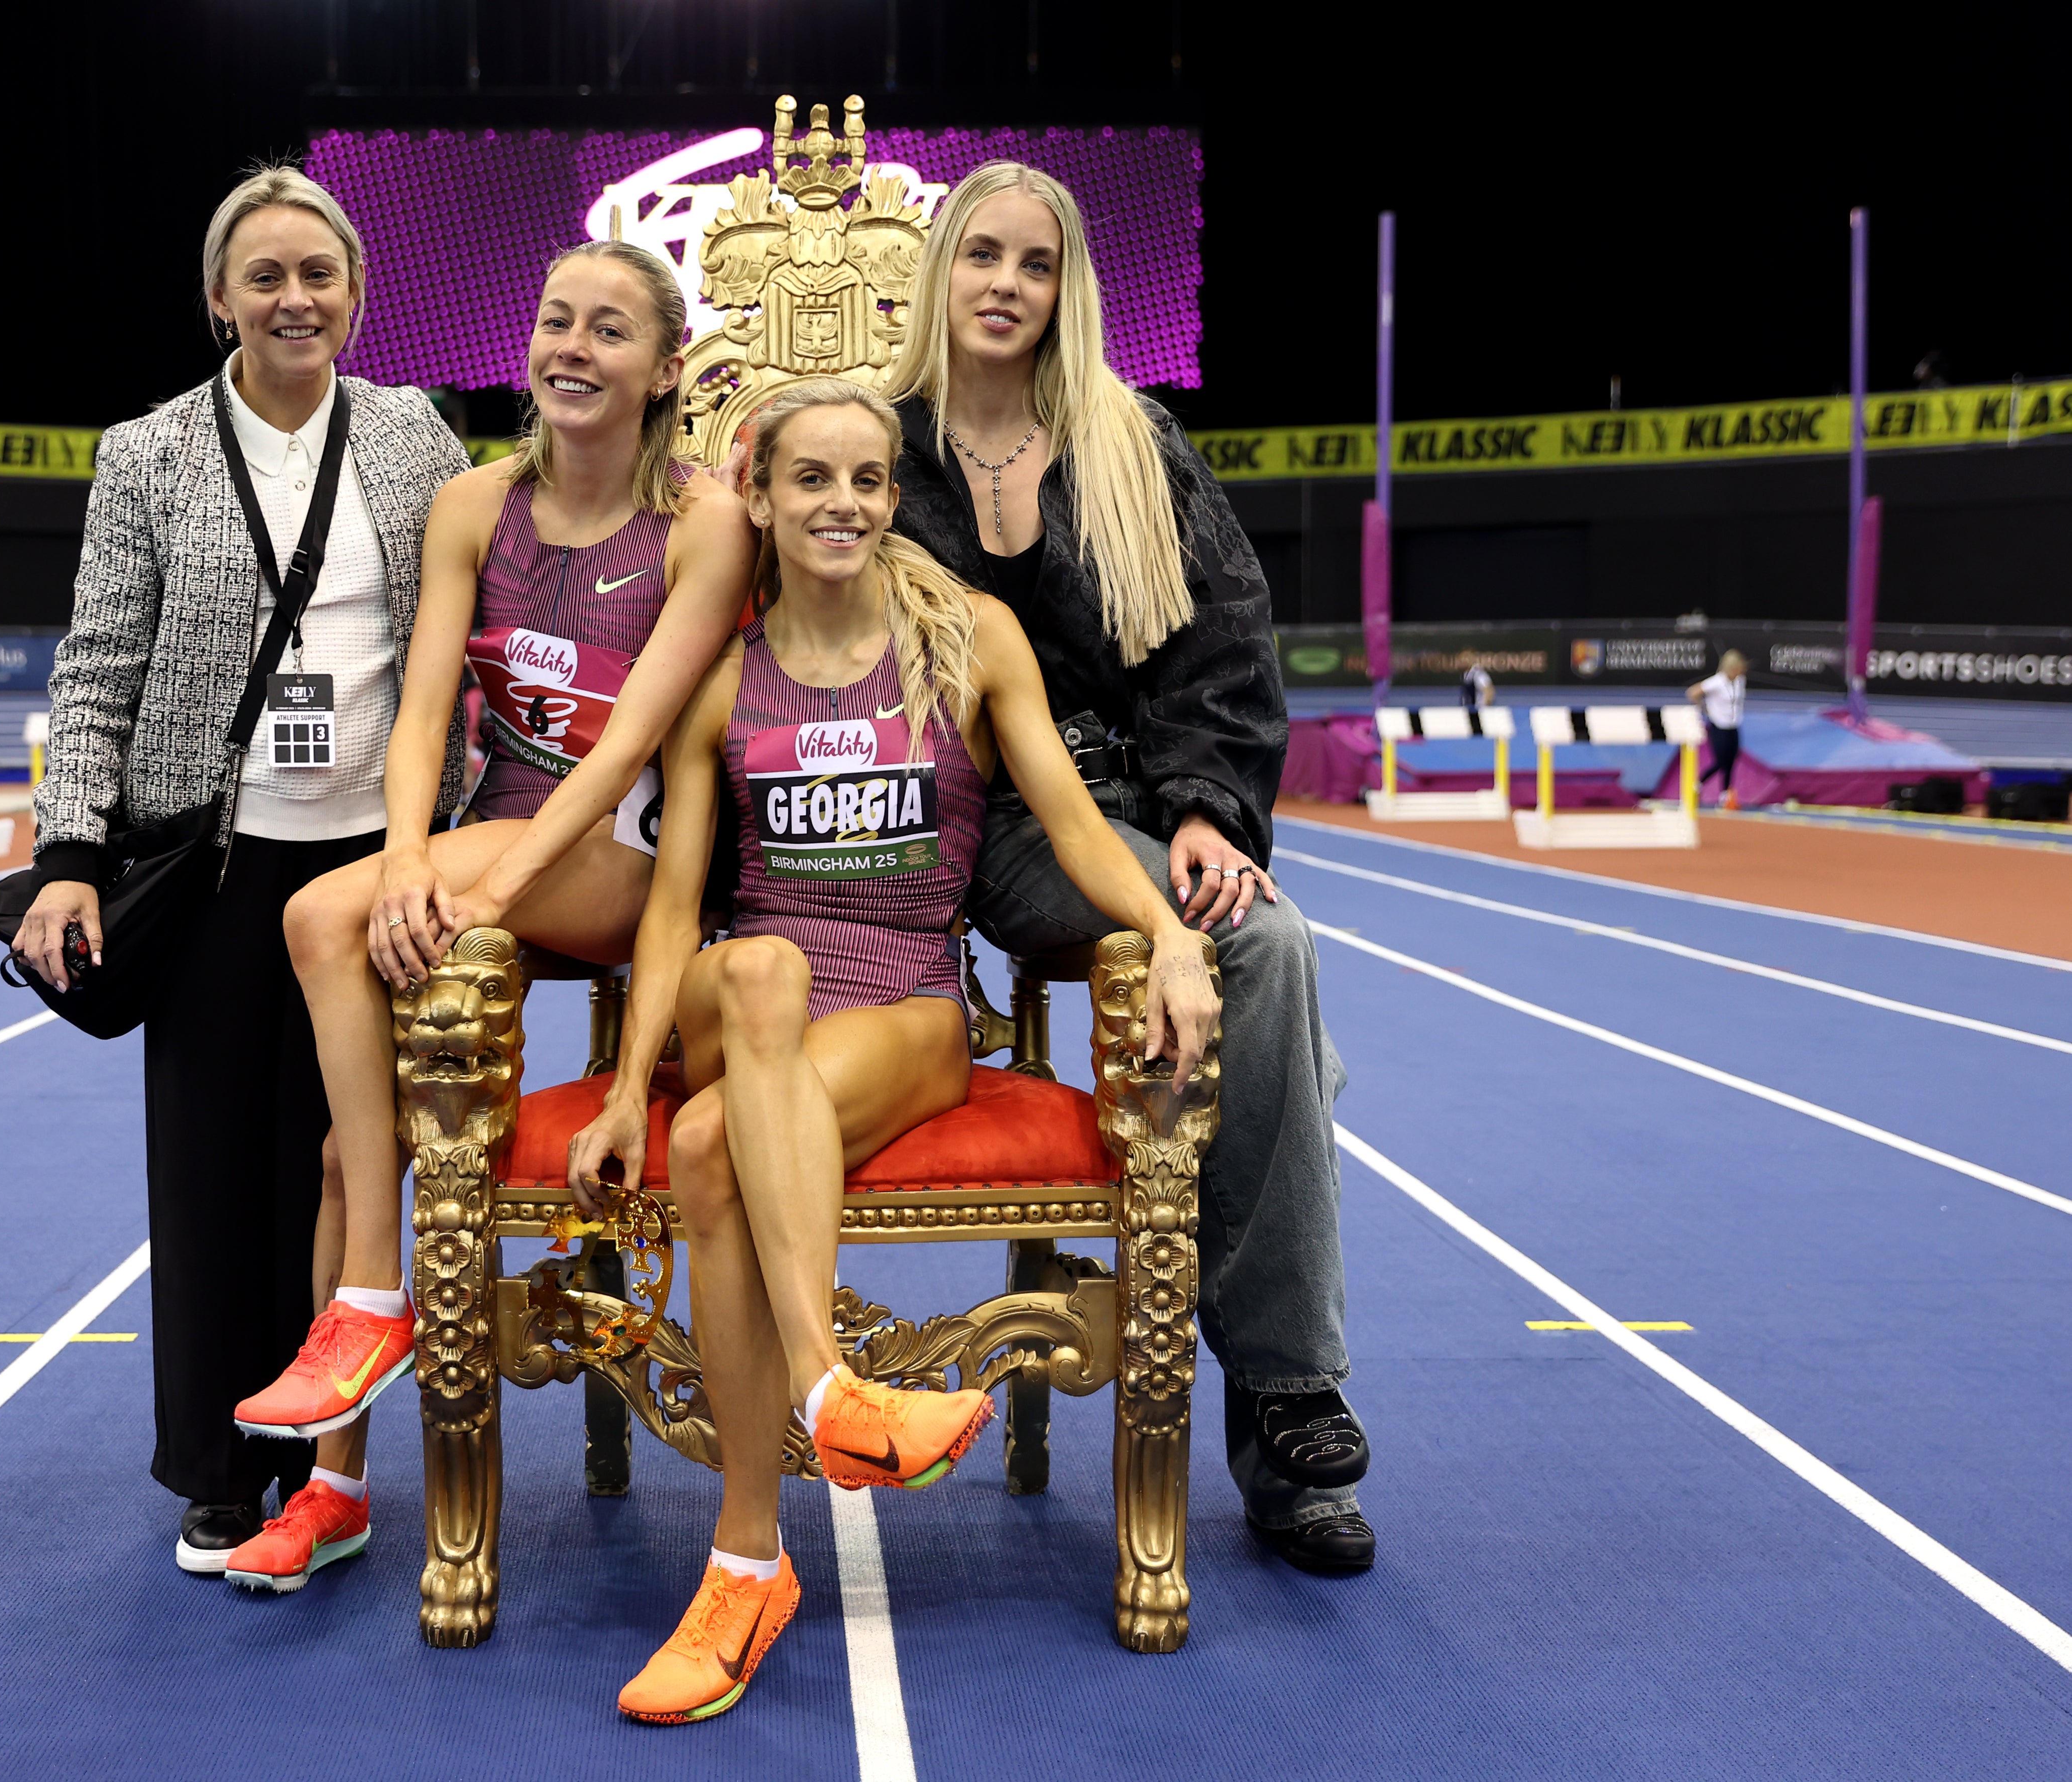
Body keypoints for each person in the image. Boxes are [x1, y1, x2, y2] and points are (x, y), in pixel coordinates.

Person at [564, 378, 1211, 1724]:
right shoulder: (719, 681)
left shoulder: (969, 639)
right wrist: (625, 1082)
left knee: (708, 1142)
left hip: (910, 1010)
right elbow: (674, 901)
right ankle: (823, 1400)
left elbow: (1075, 822)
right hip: (748, 1009)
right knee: (752, 970)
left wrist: (1168, 928)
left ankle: (746, 1559)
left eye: (867, 479)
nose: (844, 504)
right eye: (812, 479)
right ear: (760, 494)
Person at [219, 241, 755, 1592]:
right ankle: (336, 1473)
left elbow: (629, 747)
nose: (573, 347)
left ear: (661, 369)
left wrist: (480, 888)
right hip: (487, 851)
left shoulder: (702, 526)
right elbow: (418, 715)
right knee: (352, 1116)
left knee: (327, 920)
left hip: (625, 864)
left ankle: (369, 1297)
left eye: (609, 331)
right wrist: (409, 855)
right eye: (555, 320)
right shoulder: (469, 505)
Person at [878, 161, 1377, 1574]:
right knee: (1271, 1027)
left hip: (1118, 807)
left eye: (1032, 263)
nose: (1001, 284)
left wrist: (1210, 808)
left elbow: (1220, 641)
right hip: (948, 817)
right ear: (939, 273)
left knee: (1264, 947)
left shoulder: (1130, 443)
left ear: (1063, 288)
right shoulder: (874, 444)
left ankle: (1288, 1404)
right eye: (977, 254)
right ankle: (1287, 1391)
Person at [11, 165, 469, 1578]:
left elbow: (468, 624)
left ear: (356, 293)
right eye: (263, 276)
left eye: (316, 274)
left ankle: (331, 1467)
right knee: (214, 1176)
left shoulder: (413, 437)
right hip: (209, 863)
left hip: (374, 863)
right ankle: (224, 1465)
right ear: (219, 299)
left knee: (342, 1166)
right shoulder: (145, 453)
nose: (292, 298)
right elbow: (97, 666)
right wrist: (67, 854)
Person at [1689, 648, 1747, 809]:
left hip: (1734, 725)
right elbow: (1693, 692)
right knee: (1720, 761)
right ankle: (1698, 784)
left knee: (1731, 761)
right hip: (1719, 725)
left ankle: (1725, 795)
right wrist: (1704, 708)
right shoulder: (1717, 682)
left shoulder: (1740, 681)